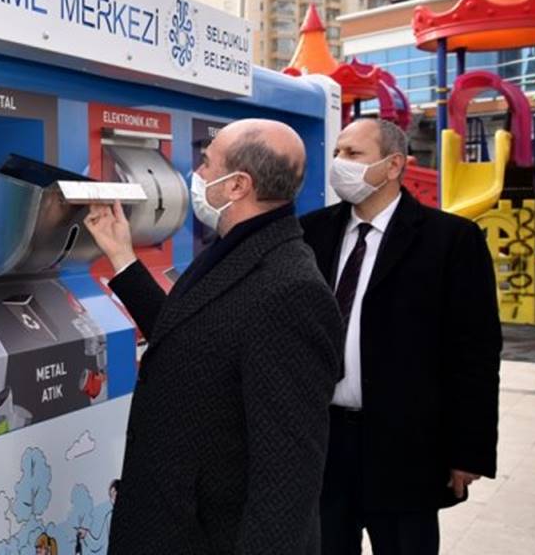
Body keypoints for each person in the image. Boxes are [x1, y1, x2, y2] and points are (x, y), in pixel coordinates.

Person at [84, 119, 344, 553]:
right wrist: (122, 257)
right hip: (170, 524)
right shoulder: (238, 249)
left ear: (238, 185)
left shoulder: (290, 288)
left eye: (206, 163)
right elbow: (191, 338)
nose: (196, 174)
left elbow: (288, 471)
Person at [301, 118, 501, 555]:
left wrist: (468, 450)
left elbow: (475, 354)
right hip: (324, 442)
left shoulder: (450, 240)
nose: (339, 163)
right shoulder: (311, 233)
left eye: (354, 154)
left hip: (406, 445)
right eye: (337, 153)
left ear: (393, 166)